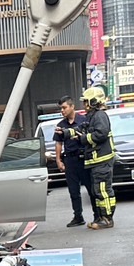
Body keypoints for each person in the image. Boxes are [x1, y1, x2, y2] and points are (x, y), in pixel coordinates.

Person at [62, 86, 115, 229]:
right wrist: (67, 133)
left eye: (86, 102)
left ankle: (107, 219)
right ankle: (101, 217)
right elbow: (82, 129)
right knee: (97, 191)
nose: (84, 105)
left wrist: (84, 139)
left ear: (93, 101)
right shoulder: (92, 116)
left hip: (102, 160)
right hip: (96, 162)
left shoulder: (100, 116)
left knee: (103, 191)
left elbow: (101, 134)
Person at [52, 96, 91, 227]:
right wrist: (58, 160)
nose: (62, 111)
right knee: (74, 191)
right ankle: (78, 216)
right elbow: (58, 143)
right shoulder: (61, 125)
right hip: (69, 160)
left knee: (91, 189)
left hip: (84, 159)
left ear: (72, 106)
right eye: (61, 109)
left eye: (64, 108)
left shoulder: (84, 120)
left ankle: (97, 215)